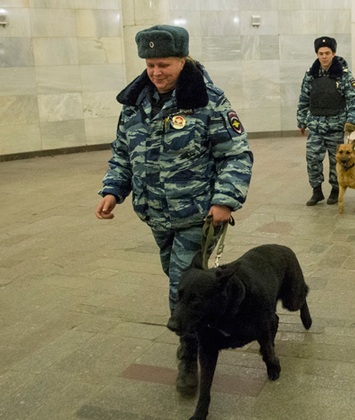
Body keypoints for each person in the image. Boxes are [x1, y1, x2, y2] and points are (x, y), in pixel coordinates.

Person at [94, 25, 253, 395]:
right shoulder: (135, 103)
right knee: (180, 281)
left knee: (181, 288)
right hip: (156, 216)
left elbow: (235, 154)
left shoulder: (208, 100)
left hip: (199, 216)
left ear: (183, 60)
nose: (156, 72)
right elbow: (122, 154)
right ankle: (209, 324)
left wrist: (223, 200)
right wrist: (112, 191)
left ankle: (188, 355)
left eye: (164, 64)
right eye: (150, 64)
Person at [297, 36, 355, 206]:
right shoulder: (311, 75)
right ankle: (316, 191)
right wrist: (301, 121)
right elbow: (304, 99)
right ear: (317, 54)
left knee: (337, 162)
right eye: (321, 53)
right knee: (312, 160)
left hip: (335, 127)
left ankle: (335, 190)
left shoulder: (344, 76)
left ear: (334, 53)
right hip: (315, 127)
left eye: (327, 53)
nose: (324, 56)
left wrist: (352, 120)